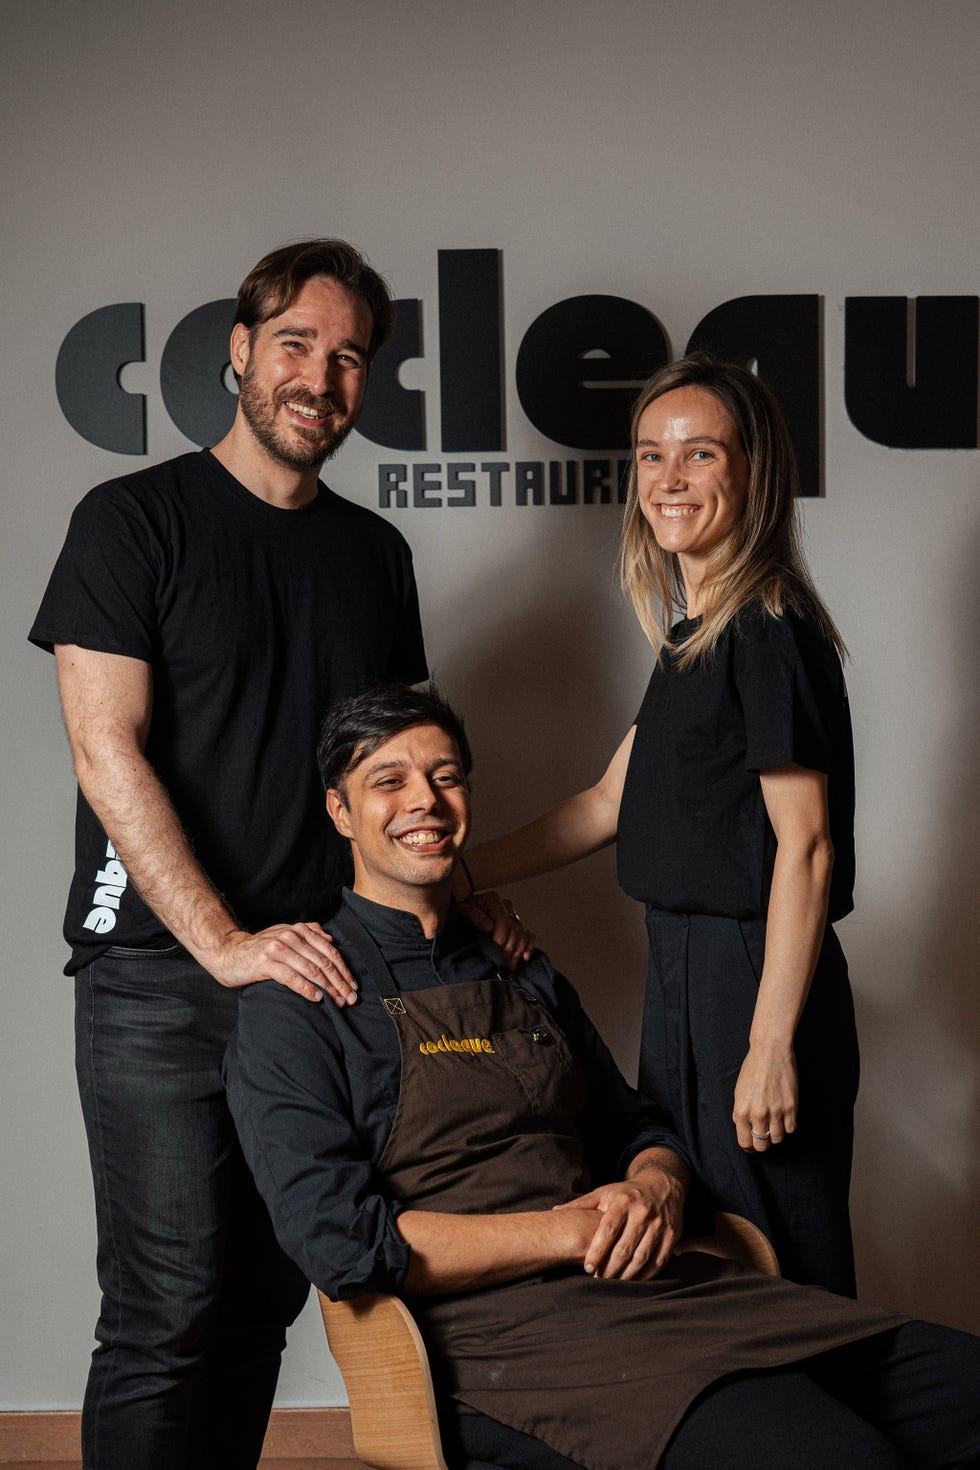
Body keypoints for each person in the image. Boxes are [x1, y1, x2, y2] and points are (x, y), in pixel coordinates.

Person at [225, 683, 979, 1470]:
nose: (427, 800)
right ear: (340, 811)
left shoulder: (516, 963)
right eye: (389, 780)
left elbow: (632, 1127)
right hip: (506, 1348)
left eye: (446, 776)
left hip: (661, 1295)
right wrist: (571, 1231)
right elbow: (342, 1243)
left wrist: (655, 1187)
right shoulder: (298, 1002)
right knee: (841, 1456)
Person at [28, 238, 435, 1470]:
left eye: (350, 354)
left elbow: (387, 777)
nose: (321, 374)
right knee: (166, 1313)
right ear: (240, 351)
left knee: (261, 1310)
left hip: (310, 980)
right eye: (298, 343)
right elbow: (107, 750)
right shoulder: (132, 520)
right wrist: (222, 941)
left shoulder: (375, 556)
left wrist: (445, 910)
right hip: (159, 973)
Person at [457, 353, 862, 1296]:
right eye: (650, 456)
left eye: (700, 454)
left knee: (783, 1264)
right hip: (682, 969)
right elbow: (605, 803)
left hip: (751, 976)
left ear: (751, 472)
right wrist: (456, 877)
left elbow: (805, 845)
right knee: (712, 1250)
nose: (669, 481)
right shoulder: (696, 635)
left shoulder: (766, 628)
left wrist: (768, 1048)